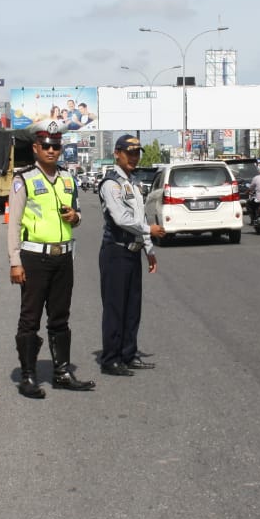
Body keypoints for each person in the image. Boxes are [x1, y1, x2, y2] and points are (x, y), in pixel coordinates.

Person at [7, 119, 95, 398]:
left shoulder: (68, 178)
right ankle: (28, 376)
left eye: (56, 145)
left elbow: (77, 215)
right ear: (35, 147)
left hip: (63, 257)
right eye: (46, 145)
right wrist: (14, 260)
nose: (52, 150)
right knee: (30, 318)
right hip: (34, 258)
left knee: (60, 317)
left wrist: (76, 217)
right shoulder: (24, 179)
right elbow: (13, 223)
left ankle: (62, 372)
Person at [97, 134, 165, 376]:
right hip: (115, 251)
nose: (134, 157)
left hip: (133, 252)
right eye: (129, 153)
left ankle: (129, 353)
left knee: (132, 307)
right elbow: (122, 219)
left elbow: (140, 218)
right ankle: (111, 359)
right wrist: (150, 230)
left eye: (137, 153)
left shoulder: (133, 183)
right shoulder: (111, 183)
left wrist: (149, 250)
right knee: (115, 307)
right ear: (117, 153)